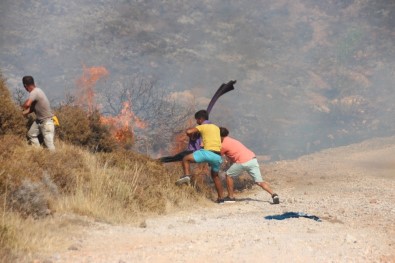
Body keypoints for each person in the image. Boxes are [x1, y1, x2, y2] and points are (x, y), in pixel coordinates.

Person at [175, 110, 225, 203]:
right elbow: (221, 140)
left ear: (200, 119)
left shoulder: (203, 126)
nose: (197, 122)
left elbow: (189, 131)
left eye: (197, 120)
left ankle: (186, 176)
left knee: (186, 159)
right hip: (217, 156)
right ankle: (221, 198)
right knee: (215, 176)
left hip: (207, 153)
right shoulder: (216, 127)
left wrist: (191, 133)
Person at [219, 127, 279, 204]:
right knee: (259, 182)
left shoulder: (223, 145)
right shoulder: (232, 140)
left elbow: (218, 155)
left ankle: (231, 197)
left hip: (242, 161)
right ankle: (274, 195)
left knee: (228, 175)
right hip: (252, 159)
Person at [22, 76, 56, 151]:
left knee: (50, 146)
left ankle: (56, 161)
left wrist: (22, 107)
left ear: (25, 86)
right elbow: (32, 108)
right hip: (39, 121)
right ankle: (38, 153)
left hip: (47, 122)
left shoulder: (34, 92)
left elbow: (27, 105)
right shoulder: (37, 90)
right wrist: (23, 113)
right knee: (31, 134)